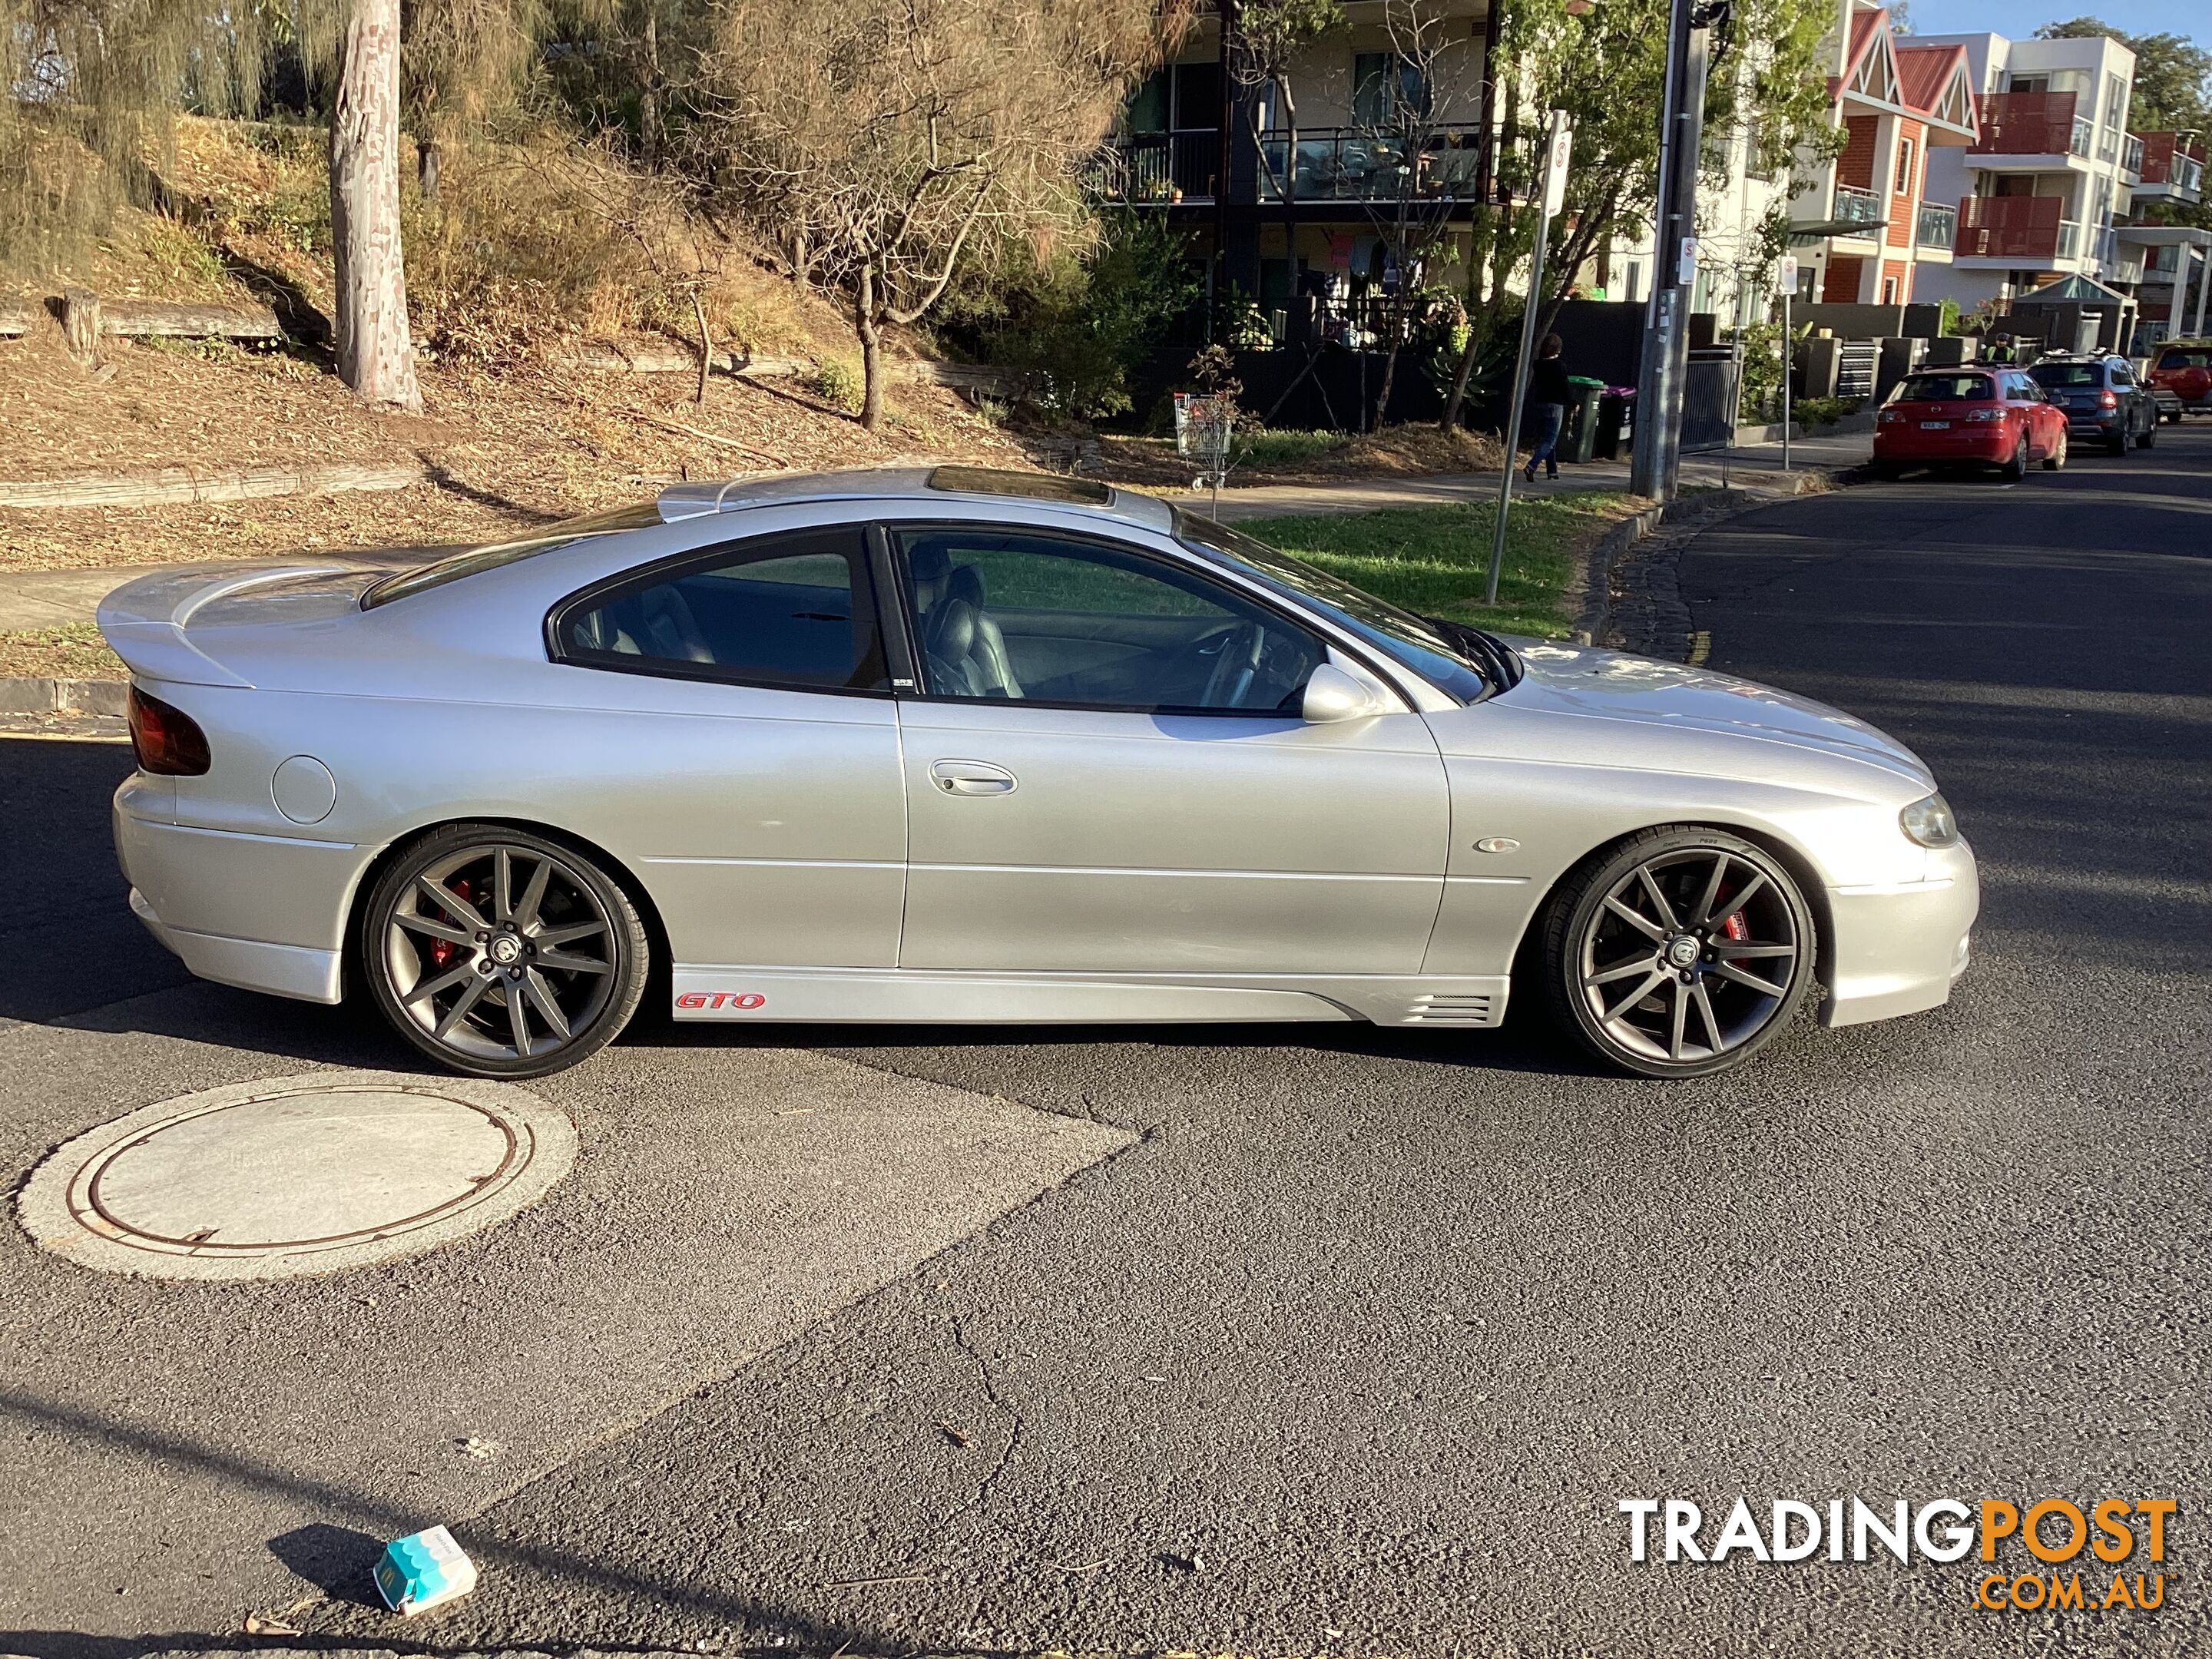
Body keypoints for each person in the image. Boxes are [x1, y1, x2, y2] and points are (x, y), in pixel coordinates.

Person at [1524, 333, 1572, 482]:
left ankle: (1552, 471)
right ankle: (1532, 465)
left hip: (1540, 403)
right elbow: (1565, 387)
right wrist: (1573, 403)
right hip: (1555, 405)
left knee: (1548, 438)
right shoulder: (1559, 366)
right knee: (1550, 440)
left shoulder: (1538, 364)